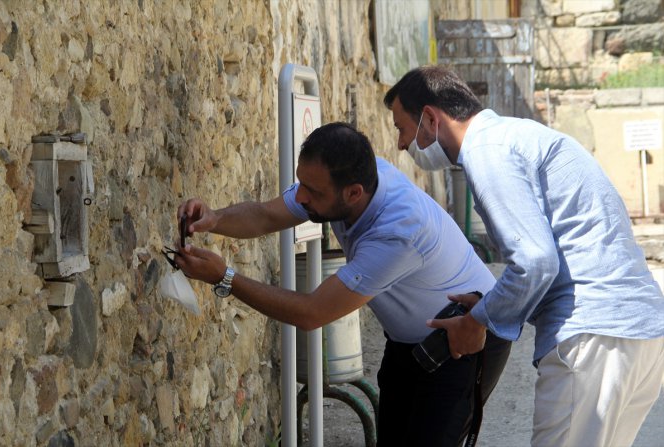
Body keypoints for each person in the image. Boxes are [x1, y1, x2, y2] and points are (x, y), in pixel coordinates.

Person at [174, 122, 511, 446]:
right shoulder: (351, 179)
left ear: (353, 193)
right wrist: (214, 218)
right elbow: (265, 215)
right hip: (410, 342)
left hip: (465, 337)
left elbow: (312, 313)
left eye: (312, 191)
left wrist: (224, 277)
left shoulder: (398, 230)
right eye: (300, 183)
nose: (301, 197)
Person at [384, 66, 664, 447]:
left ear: (431, 118)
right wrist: (490, 304)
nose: (401, 145)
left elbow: (535, 261)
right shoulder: (520, 136)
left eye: (402, 128)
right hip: (640, 333)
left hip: (591, 338)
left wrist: (478, 321)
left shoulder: (487, 150)